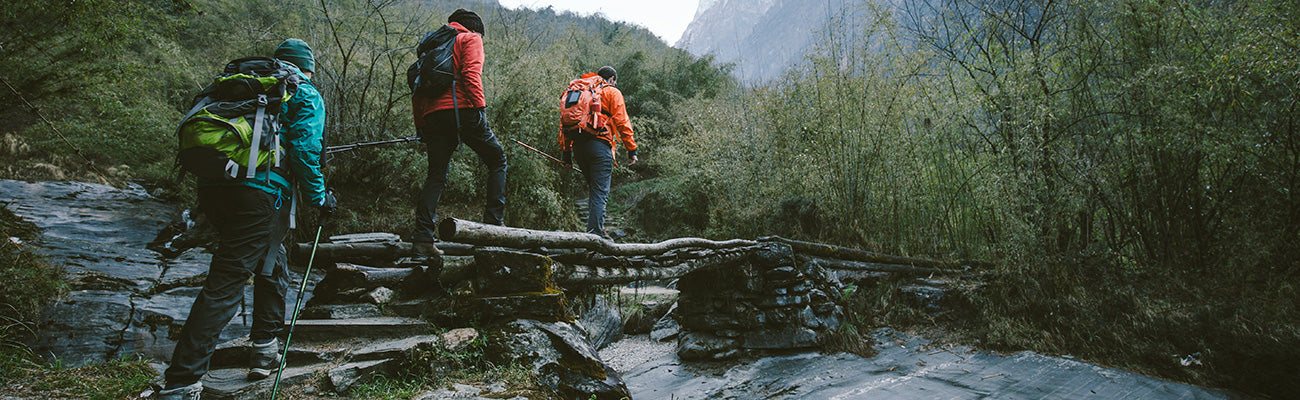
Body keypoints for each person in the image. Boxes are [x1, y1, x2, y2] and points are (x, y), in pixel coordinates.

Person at [154, 38, 334, 400]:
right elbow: (303, 148)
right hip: (261, 193)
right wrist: (319, 197)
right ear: (306, 67)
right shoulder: (303, 91)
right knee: (227, 281)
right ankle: (181, 382)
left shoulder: (242, 86)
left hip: (216, 188)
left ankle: (264, 347)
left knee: (272, 259)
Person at [411, 8, 506, 257]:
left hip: (432, 115)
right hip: (463, 109)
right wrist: (480, 108)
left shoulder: (432, 46)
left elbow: (418, 90)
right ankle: (493, 228)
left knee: (436, 176)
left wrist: (421, 125)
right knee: (497, 160)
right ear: (474, 28)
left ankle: (422, 240)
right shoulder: (469, 38)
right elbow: (471, 75)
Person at [559, 66, 639, 239]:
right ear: (611, 79)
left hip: (579, 148)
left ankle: (598, 229)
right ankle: (594, 237)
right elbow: (622, 122)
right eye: (615, 81)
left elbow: (564, 125)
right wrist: (631, 150)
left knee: (595, 191)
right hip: (600, 147)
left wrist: (566, 155)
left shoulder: (578, 91)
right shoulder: (611, 91)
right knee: (599, 193)